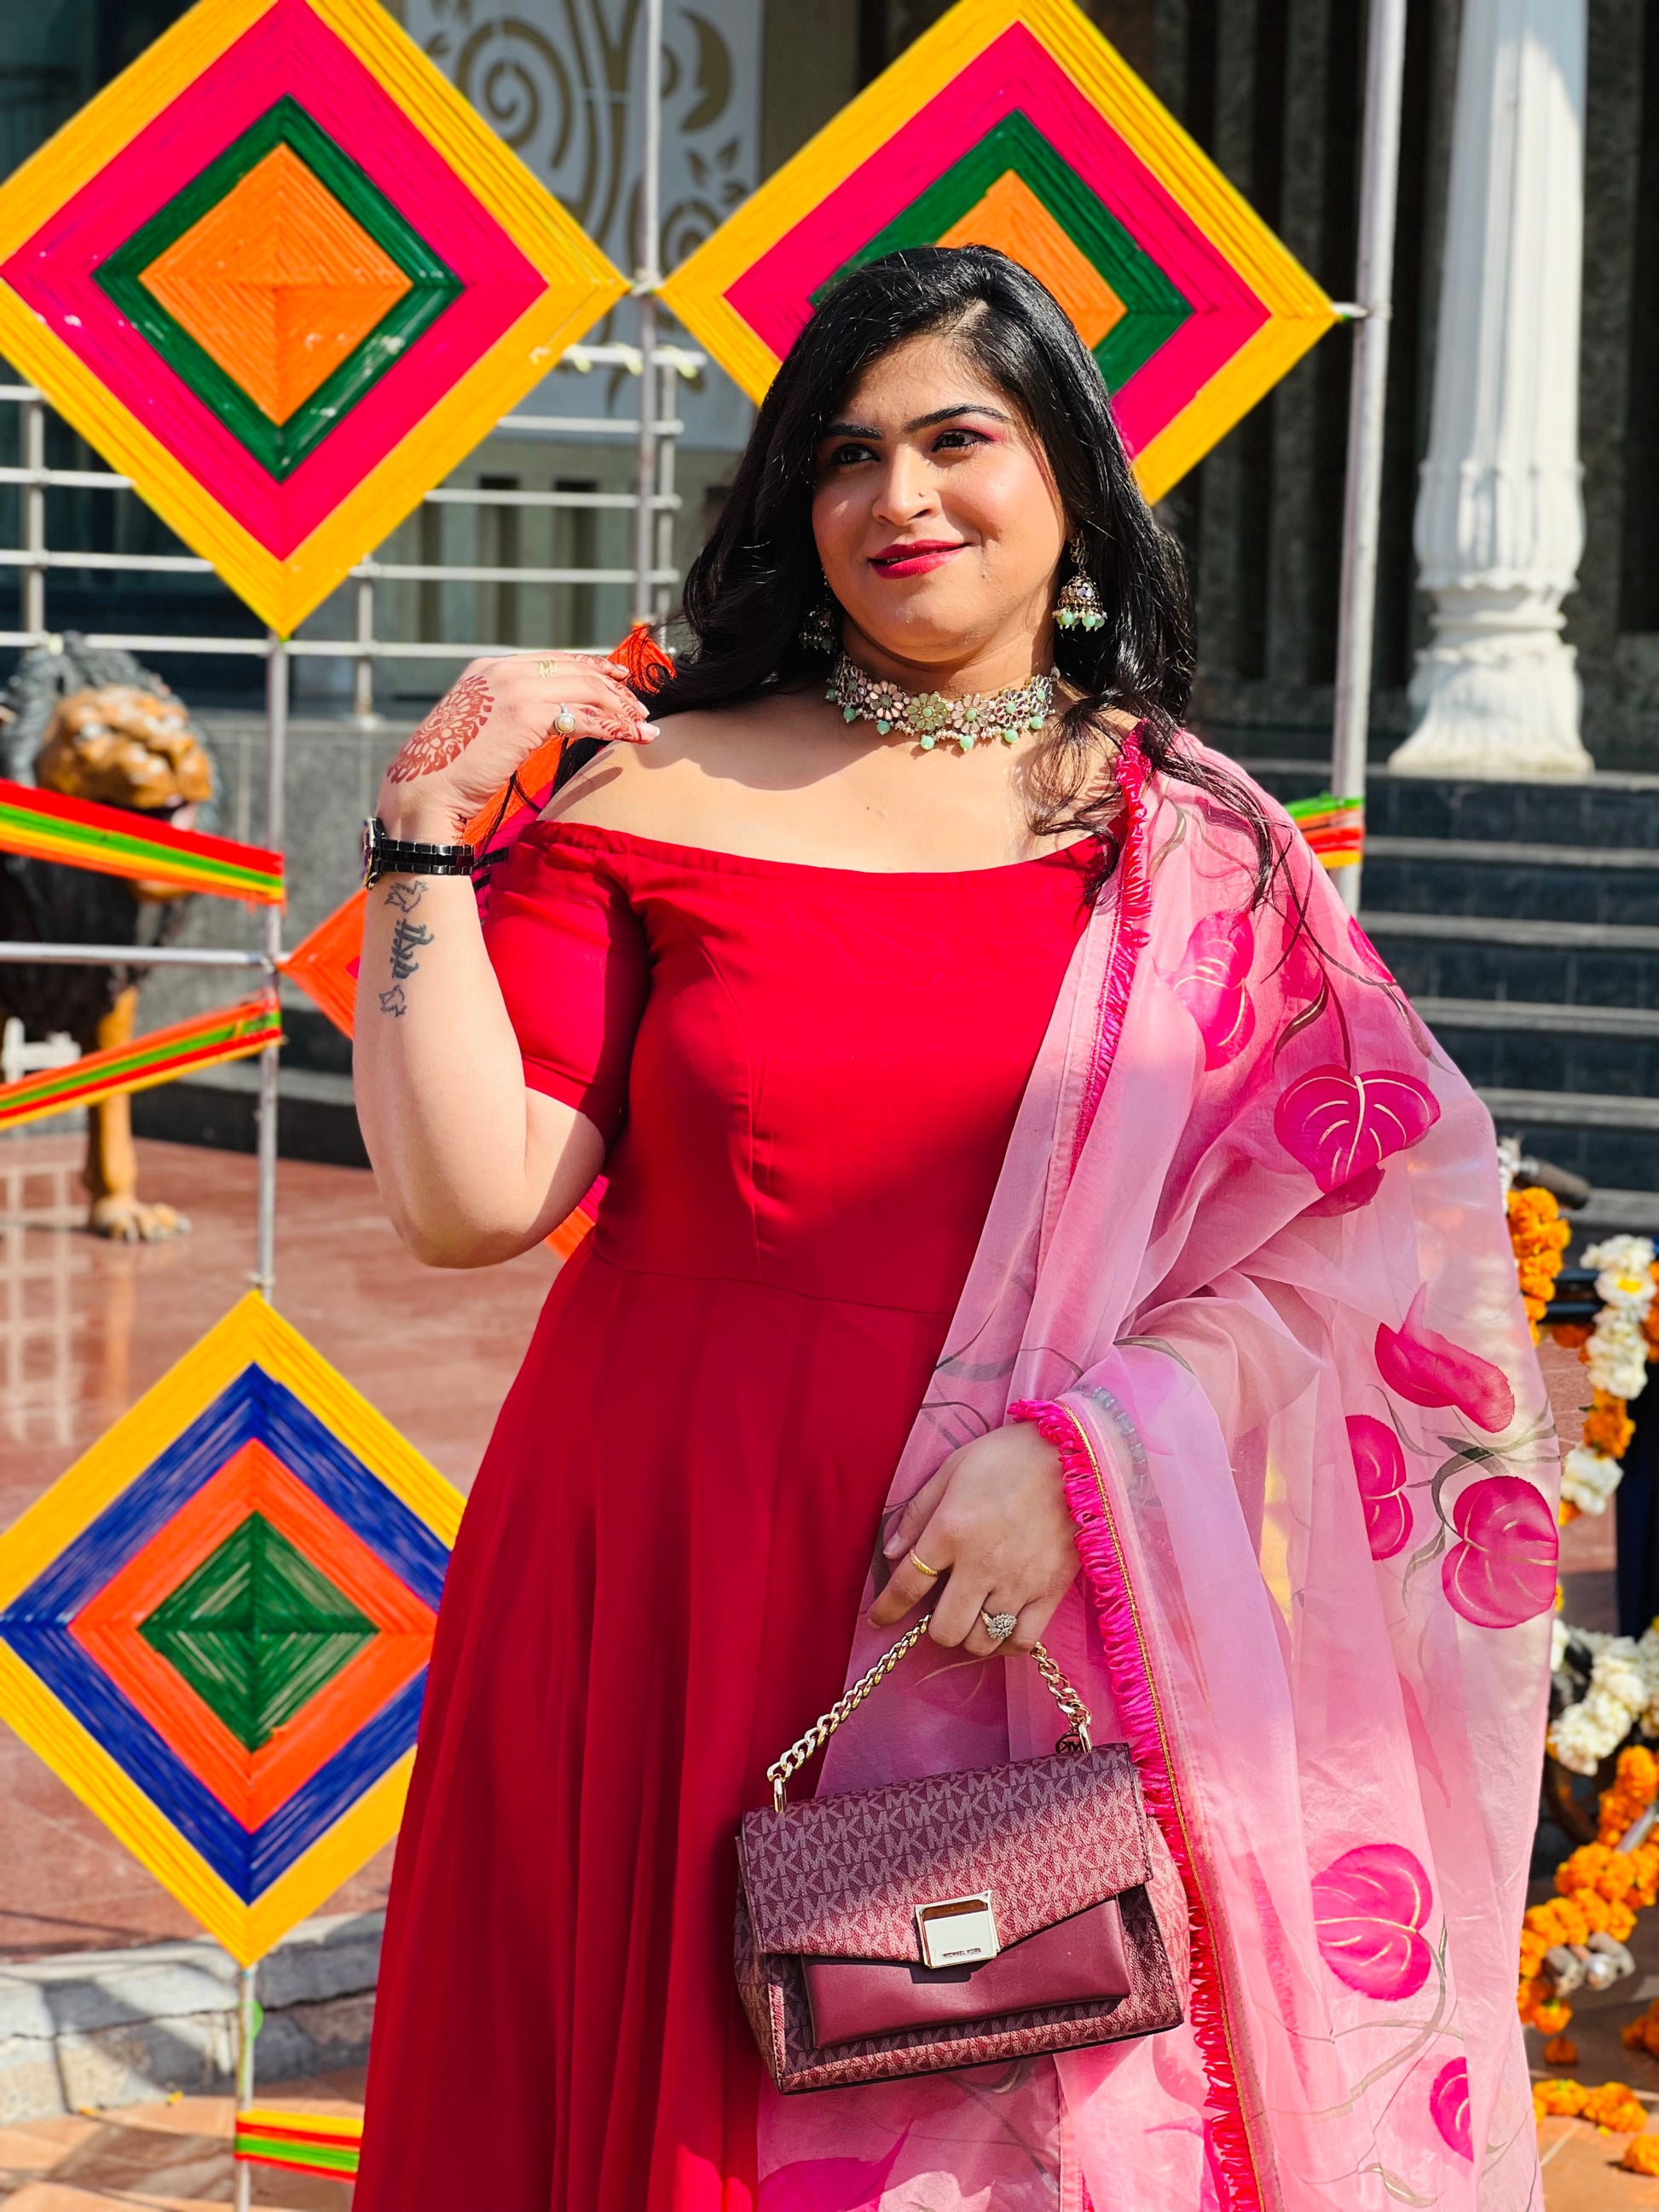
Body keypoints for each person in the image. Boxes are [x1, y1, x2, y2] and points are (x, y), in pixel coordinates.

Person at [351, 247, 1553, 2212]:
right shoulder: (658, 786)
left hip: (997, 1585)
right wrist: (421, 835)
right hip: (651, 1564)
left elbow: (1355, 1228)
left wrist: (1083, 1461)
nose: (897, 495)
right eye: (843, 455)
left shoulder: (1190, 845)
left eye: (954, 439)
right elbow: (467, 1197)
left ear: (1067, 479)